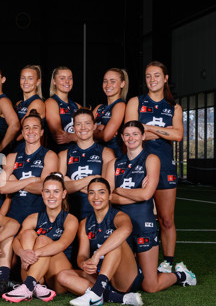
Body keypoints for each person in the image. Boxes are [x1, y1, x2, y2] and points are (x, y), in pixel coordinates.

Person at [105, 121, 196, 292]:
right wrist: (135, 193)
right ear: (122, 138)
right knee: (123, 284)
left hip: (144, 226)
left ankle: (182, 275)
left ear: (143, 136)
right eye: (127, 134)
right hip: (120, 227)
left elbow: (147, 195)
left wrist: (119, 190)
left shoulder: (151, 159)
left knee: (150, 286)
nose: (131, 138)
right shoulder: (113, 164)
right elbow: (107, 198)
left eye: (135, 134)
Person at [125, 61, 184, 274]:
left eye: (157, 76)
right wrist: (162, 130)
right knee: (138, 217)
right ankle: (136, 263)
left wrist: (147, 128)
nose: (152, 80)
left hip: (165, 167)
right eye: (148, 76)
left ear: (165, 78)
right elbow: (131, 135)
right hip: (139, 165)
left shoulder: (174, 107)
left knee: (166, 219)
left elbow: (178, 135)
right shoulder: (136, 102)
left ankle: (168, 261)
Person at [56, 178, 144, 306]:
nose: (96, 197)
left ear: (110, 196)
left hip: (124, 276)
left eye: (101, 192)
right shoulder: (85, 223)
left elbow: (126, 230)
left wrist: (97, 255)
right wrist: (84, 263)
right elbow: (82, 255)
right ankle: (117, 298)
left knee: (115, 242)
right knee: (63, 276)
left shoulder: (119, 216)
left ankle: (97, 294)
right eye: (91, 193)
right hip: (100, 274)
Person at [3, 173, 78, 303]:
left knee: (43, 240)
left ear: (64, 194)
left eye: (56, 191)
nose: (51, 196)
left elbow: (62, 244)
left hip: (57, 276)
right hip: (38, 276)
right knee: (27, 234)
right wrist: (23, 253)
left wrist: (33, 254)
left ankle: (28, 285)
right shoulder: (32, 218)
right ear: (42, 193)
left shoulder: (70, 219)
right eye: (47, 192)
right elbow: (16, 241)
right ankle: (34, 285)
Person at [0, 111, 58, 224]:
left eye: (35, 127)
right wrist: (33, 179)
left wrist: (15, 183)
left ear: (41, 132)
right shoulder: (12, 157)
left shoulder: (50, 155)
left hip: (39, 218)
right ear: (22, 132)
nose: (30, 131)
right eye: (27, 128)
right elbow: (2, 188)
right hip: (13, 217)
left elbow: (45, 188)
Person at [59, 108, 115, 220]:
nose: (83, 128)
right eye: (79, 124)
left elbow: (108, 190)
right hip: (70, 215)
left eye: (87, 123)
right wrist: (92, 179)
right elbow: (58, 189)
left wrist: (71, 183)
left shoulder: (106, 153)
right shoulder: (64, 155)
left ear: (94, 126)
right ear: (73, 128)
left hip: (98, 216)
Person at [45, 66, 81, 152]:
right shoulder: (51, 102)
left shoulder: (77, 106)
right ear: (54, 81)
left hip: (78, 152)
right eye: (62, 78)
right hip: (59, 154)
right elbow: (59, 137)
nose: (67, 81)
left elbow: (92, 134)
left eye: (70, 78)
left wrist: (72, 137)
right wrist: (82, 137)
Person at [93, 68, 127, 157]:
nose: (108, 85)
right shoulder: (99, 108)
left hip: (114, 157)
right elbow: (80, 131)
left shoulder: (120, 105)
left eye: (112, 81)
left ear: (122, 84)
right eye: (105, 81)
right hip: (95, 156)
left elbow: (106, 136)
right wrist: (99, 129)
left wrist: (93, 129)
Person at [14, 65, 45, 150]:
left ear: (38, 82)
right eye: (23, 78)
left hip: (28, 151)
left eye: (30, 78)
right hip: (15, 149)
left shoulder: (37, 103)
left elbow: (21, 132)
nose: (25, 82)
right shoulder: (19, 104)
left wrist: (7, 142)